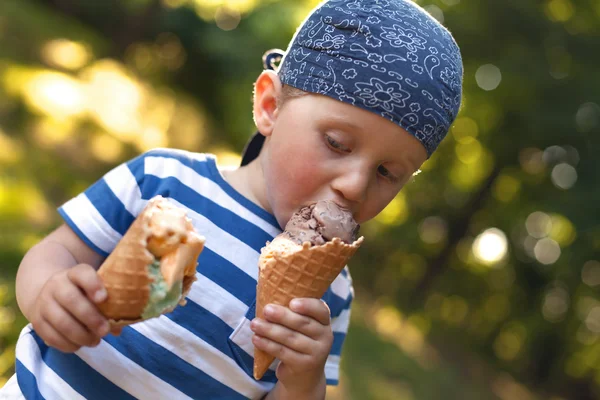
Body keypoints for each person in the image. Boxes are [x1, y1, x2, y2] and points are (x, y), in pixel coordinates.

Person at [1, 0, 463, 398]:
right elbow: (53, 251)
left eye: (387, 173)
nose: (355, 186)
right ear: (270, 107)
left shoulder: (331, 293)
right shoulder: (163, 178)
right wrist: (46, 292)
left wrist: (302, 383)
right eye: (338, 144)